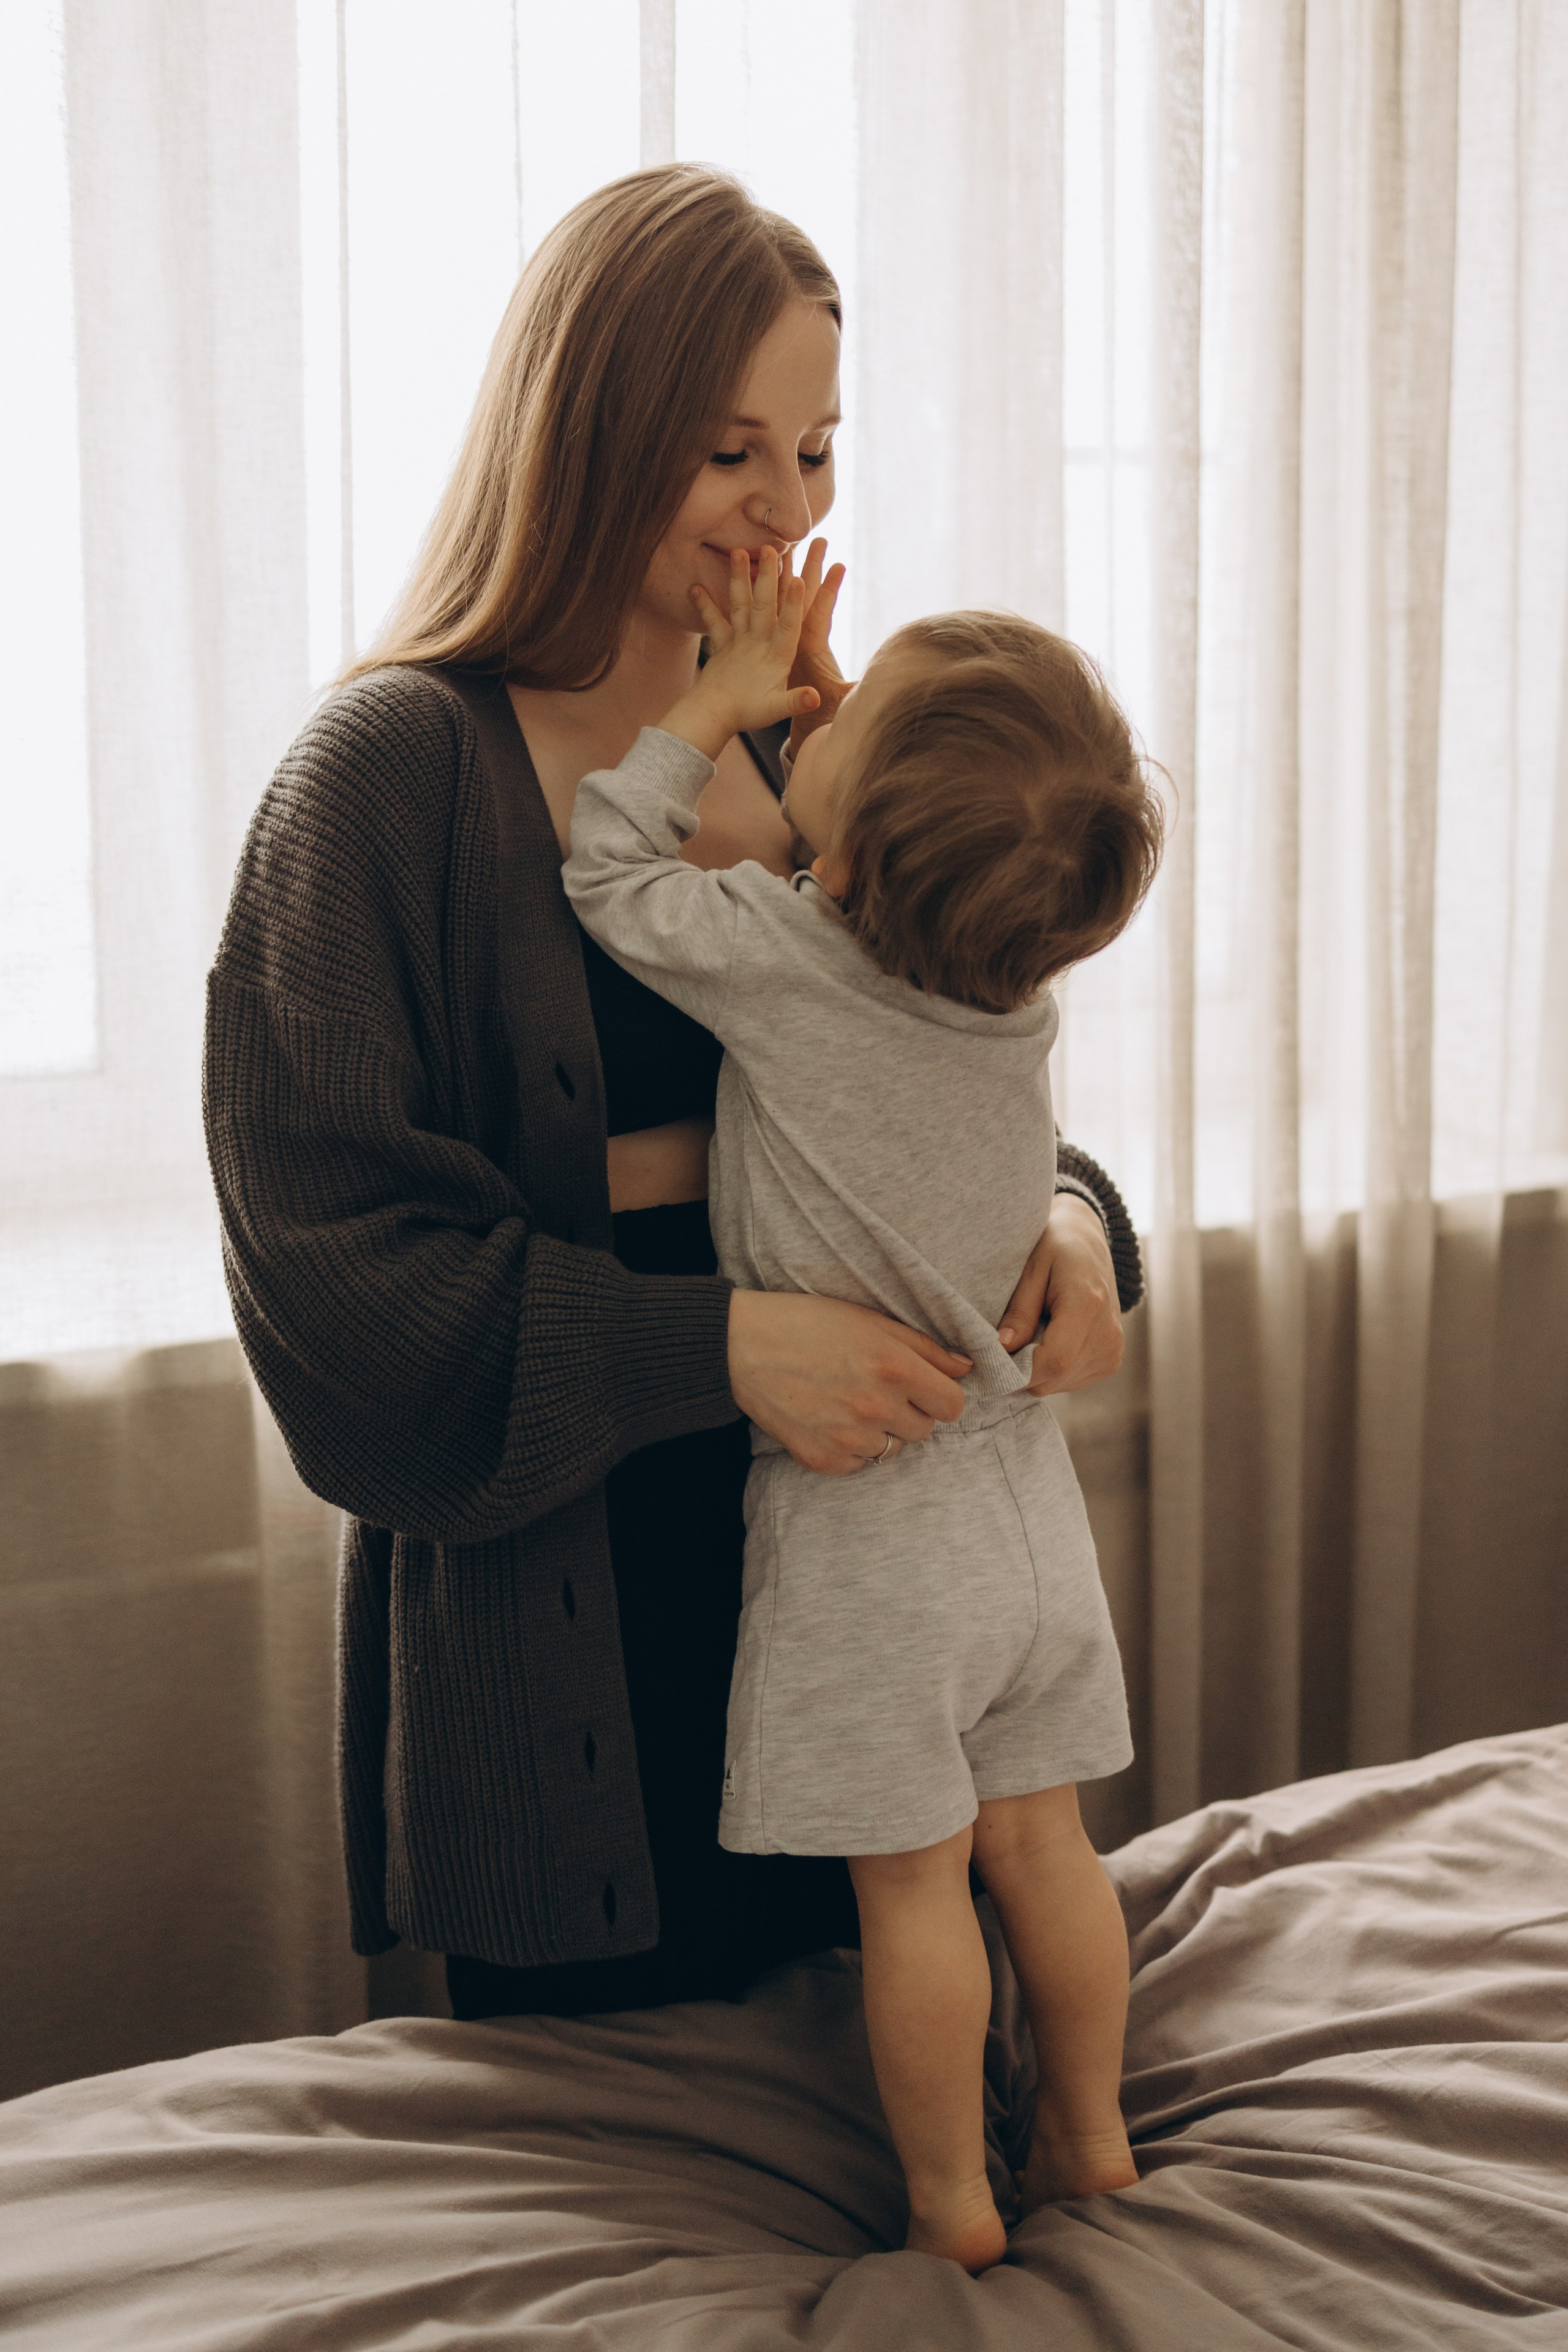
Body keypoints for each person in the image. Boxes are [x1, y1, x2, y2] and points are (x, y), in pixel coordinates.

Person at [204, 163, 1141, 2037]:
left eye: (816, 452)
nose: (786, 511)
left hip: (886, 1585)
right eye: (734, 453)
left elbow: (965, 1085)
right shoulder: (391, 777)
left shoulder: (833, 744)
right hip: (592, 1663)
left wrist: (1074, 1230)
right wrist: (709, 1349)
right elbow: (334, 1286)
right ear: (596, 430)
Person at [562, 551, 1161, 2269]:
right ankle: (1093, 2134)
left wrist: (711, 710)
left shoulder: (781, 956)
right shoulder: (1012, 987)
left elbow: (611, 866)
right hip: (1026, 1511)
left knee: (912, 1890)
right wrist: (848, 736)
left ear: (854, 843)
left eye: (847, 710)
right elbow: (900, 861)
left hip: (875, 1520)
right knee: (1044, 1850)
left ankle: (953, 2205)